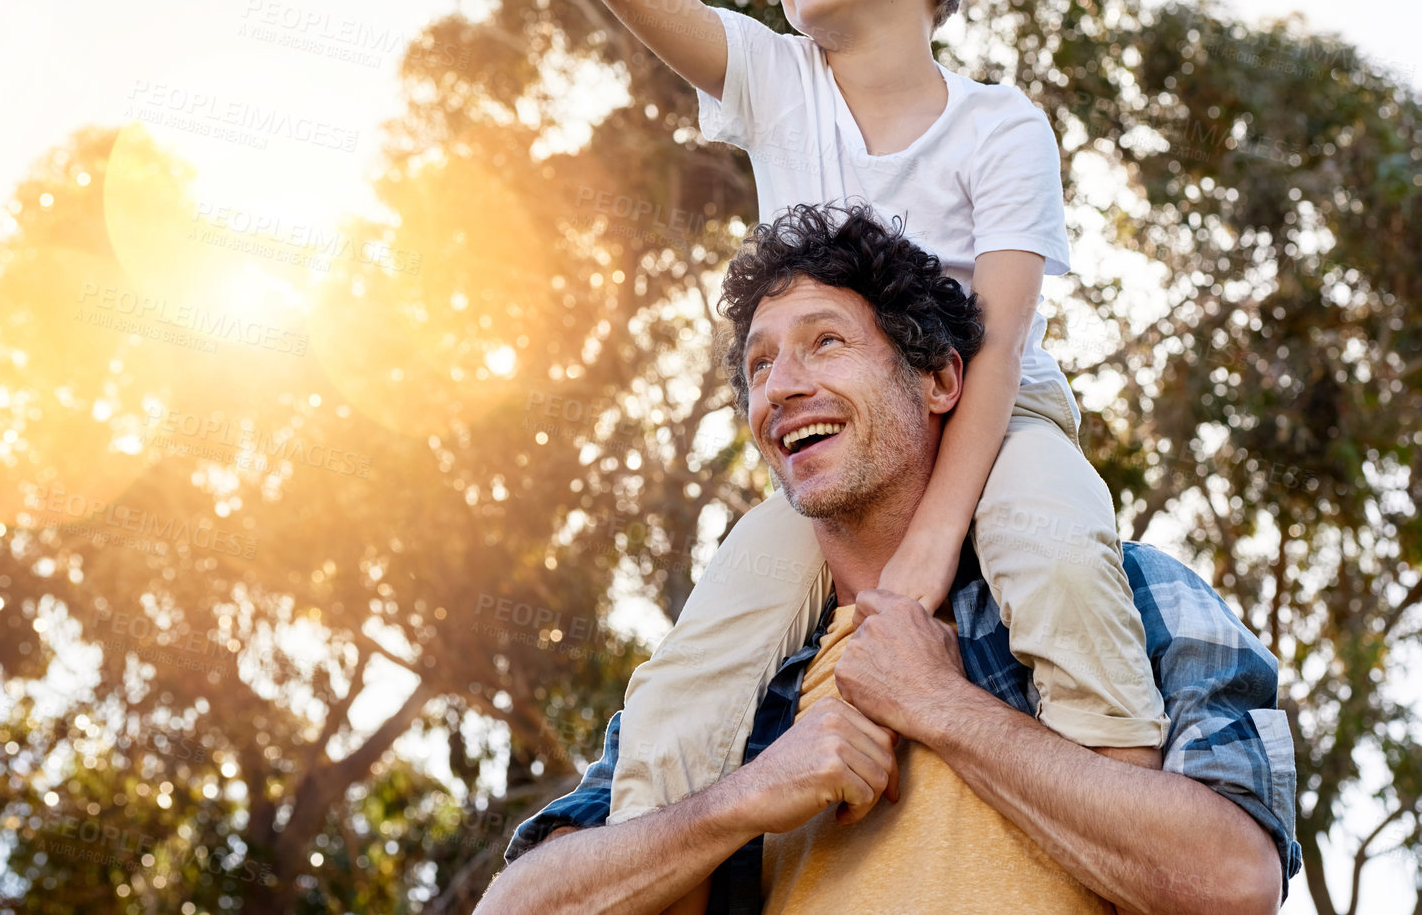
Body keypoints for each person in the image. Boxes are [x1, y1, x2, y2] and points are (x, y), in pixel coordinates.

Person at [367, 0, 1167, 827]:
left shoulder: (1001, 126)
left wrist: (927, 554)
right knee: (691, 673)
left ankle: (1124, 821)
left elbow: (1003, 335)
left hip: (995, 411)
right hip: (844, 449)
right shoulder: (776, 84)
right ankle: (654, 875)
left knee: (1062, 560)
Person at [483, 203, 1300, 914]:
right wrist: (740, 801)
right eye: (760, 364)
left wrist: (942, 706)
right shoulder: (733, 692)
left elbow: (1234, 884)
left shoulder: (1129, 594)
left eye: (826, 342)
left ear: (943, 380)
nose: (781, 386)